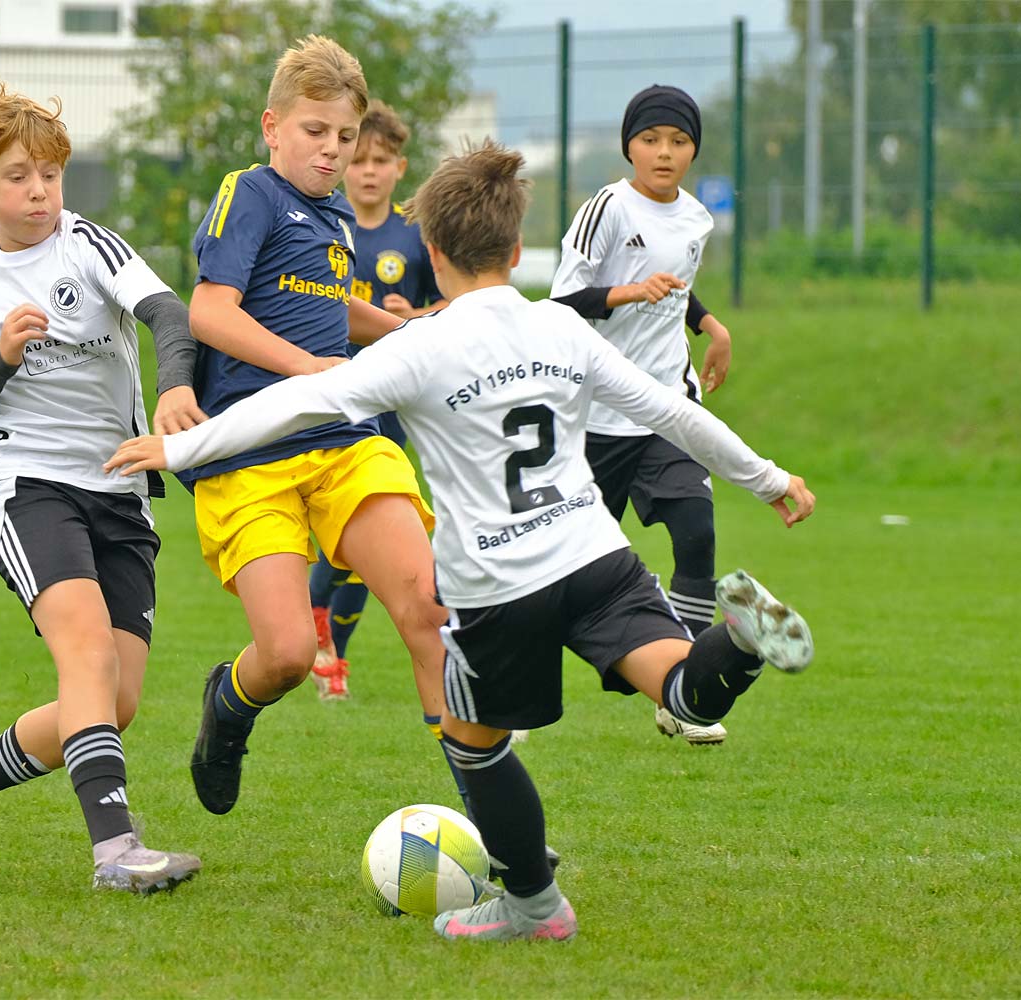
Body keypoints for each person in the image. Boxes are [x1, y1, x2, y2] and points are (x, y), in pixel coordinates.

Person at [106, 139, 817, 943]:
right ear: (515, 251)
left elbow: (301, 402)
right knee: (686, 692)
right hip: (597, 559)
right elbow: (671, 411)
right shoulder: (560, 326)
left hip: (501, 589)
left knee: (473, 743)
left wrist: (183, 446)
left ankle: (535, 909)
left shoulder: (422, 347)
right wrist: (768, 478)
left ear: (434, 256)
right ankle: (740, 641)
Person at [0, 84, 203, 893]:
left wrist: (176, 387)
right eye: (18, 177)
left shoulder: (89, 247)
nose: (39, 191)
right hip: (29, 486)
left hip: (121, 490)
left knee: (112, 700)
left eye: (50, 174)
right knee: (87, 656)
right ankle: (117, 852)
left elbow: (169, 315)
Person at [176, 35, 466, 818]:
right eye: (315, 132)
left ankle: (495, 822)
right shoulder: (250, 193)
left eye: (345, 135)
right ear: (273, 127)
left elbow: (331, 307)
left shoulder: (334, 212)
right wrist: (308, 369)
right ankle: (228, 707)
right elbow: (210, 312)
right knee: (288, 655)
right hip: (251, 451)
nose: (333, 150)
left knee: (431, 612)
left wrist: (412, 334)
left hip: (343, 442)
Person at [550, 84, 737, 746]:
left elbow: (675, 288)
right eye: (651, 139)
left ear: (694, 151)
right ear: (629, 145)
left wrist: (710, 325)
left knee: (697, 532)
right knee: (568, 563)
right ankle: (505, 685)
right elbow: (562, 302)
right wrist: (629, 292)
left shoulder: (696, 218)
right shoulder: (605, 208)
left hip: (666, 407)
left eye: (679, 141)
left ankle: (684, 691)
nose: (664, 152)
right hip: (599, 413)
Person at [307, 99, 446, 701]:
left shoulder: (414, 236)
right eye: (358, 159)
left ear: (399, 168)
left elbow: (454, 302)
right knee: (346, 527)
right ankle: (319, 644)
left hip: (393, 400)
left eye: (380, 161)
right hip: (329, 393)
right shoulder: (323, 223)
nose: (367, 171)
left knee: (374, 532)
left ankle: (331, 651)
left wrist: (412, 315)